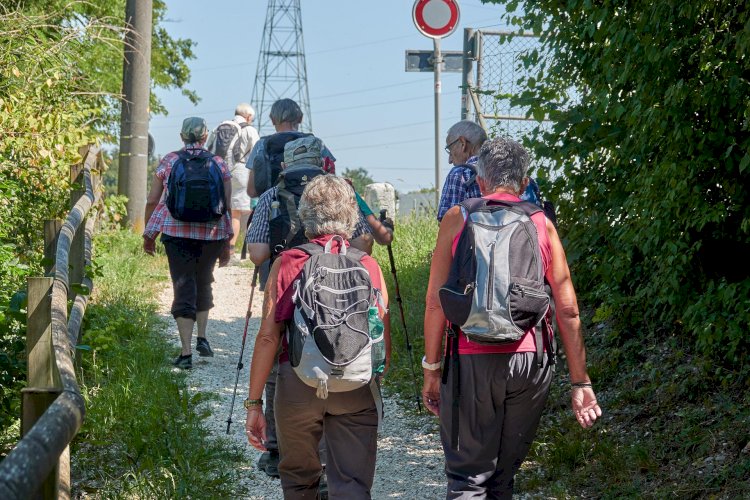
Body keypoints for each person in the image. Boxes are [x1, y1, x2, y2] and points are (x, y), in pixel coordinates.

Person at [422, 137, 601, 497]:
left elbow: (435, 302)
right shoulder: (541, 223)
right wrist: (581, 383)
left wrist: (432, 369)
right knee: (503, 477)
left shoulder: (458, 219)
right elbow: (567, 308)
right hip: (529, 362)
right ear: (523, 183)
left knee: (468, 478)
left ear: (481, 181)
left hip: (471, 361)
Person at [245, 135, 390, 481]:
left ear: (286, 165)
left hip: (293, 347)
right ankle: (329, 471)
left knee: (286, 360)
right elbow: (379, 326)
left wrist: (253, 406)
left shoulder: (271, 199)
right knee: (352, 475)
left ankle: (280, 446)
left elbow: (257, 254)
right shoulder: (361, 246)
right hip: (353, 366)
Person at [142, 117, 233, 369]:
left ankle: (185, 353)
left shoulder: (170, 161)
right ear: (205, 138)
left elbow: (152, 200)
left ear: (182, 137)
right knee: (203, 280)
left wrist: (149, 233)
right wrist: (228, 242)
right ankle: (202, 337)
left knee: (183, 285)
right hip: (212, 234)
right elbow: (226, 206)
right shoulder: (218, 163)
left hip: (176, 233)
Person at [206, 103, 260, 262]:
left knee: (218, 211)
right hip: (239, 173)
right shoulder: (249, 130)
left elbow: (208, 149)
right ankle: (229, 251)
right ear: (248, 117)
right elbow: (258, 153)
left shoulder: (219, 127)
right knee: (235, 213)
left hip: (217, 171)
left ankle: (214, 248)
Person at [436, 120, 487, 222]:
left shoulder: (460, 173)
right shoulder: (506, 169)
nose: (450, 160)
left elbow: (448, 224)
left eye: (450, 151)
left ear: (463, 143)